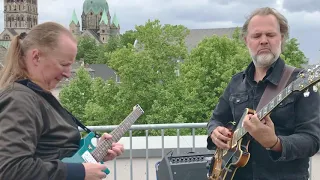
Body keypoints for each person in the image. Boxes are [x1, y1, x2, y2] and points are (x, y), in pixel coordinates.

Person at [0, 22, 124, 180]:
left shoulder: (35, 95)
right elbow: (11, 170)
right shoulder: (19, 100)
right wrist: (80, 172)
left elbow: (53, 153)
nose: (68, 73)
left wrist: (94, 154)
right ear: (36, 57)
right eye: (64, 64)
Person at [206, 7, 320, 180]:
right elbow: (216, 119)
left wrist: (275, 143)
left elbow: (312, 140)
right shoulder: (236, 83)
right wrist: (215, 132)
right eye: (257, 36)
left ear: (281, 38)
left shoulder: (301, 81)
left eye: (271, 35)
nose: (264, 41)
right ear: (246, 40)